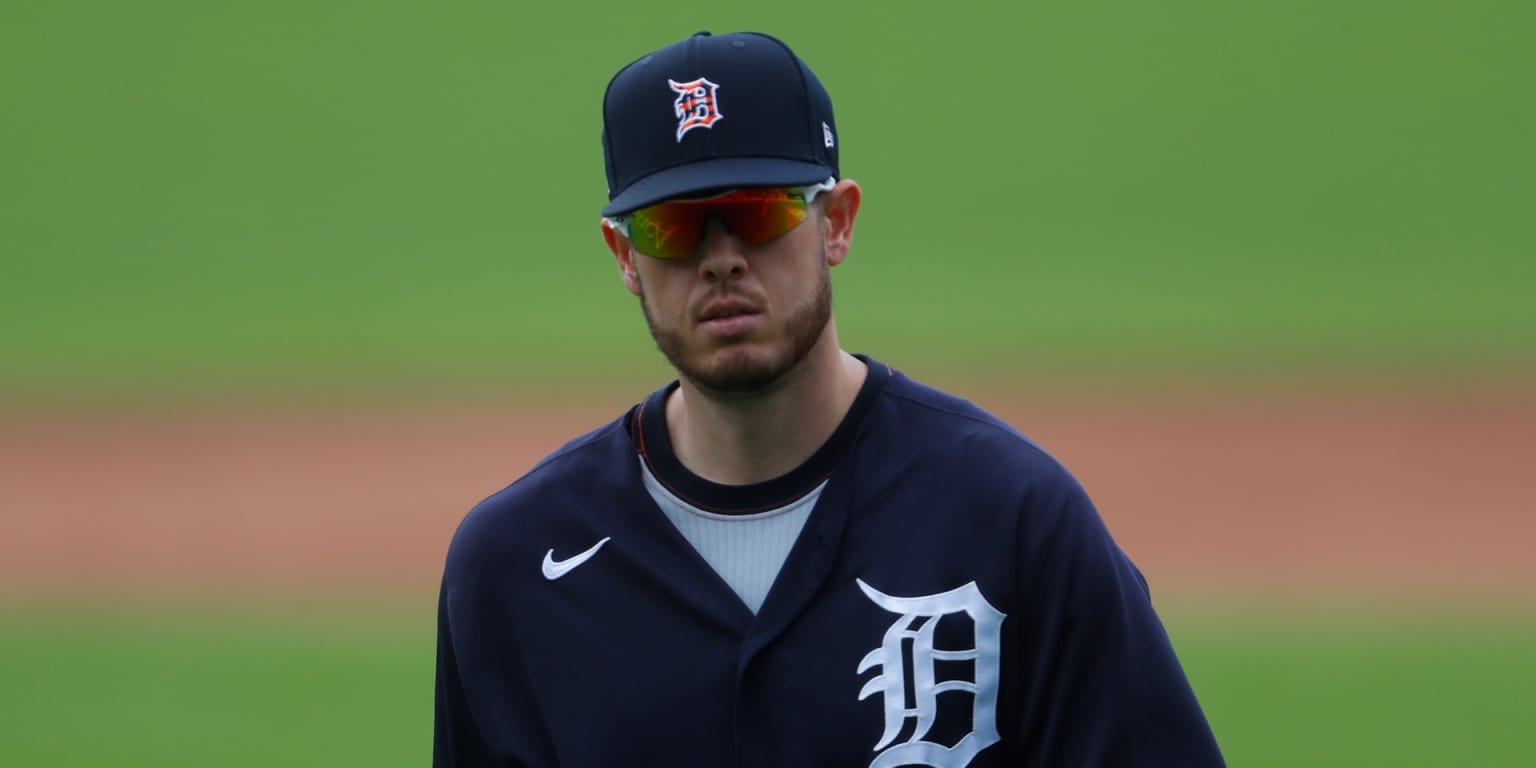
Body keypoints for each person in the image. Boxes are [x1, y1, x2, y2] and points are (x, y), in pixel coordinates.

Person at [434, 30, 1224, 767]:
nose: (721, 260)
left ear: (836, 223)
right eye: (671, 228)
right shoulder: (516, 567)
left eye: (758, 211)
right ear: (624, 256)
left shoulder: (1010, 518)